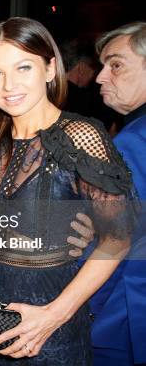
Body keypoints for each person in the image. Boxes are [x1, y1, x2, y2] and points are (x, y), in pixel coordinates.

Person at [0, 17, 134, 365]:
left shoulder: (80, 136)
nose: (8, 85)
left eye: (23, 67)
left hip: (48, 334)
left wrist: (54, 315)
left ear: (49, 69)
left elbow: (118, 239)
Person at [90, 21, 146, 366]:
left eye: (116, 64)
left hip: (125, 320)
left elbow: (111, 243)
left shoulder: (131, 144)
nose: (100, 77)